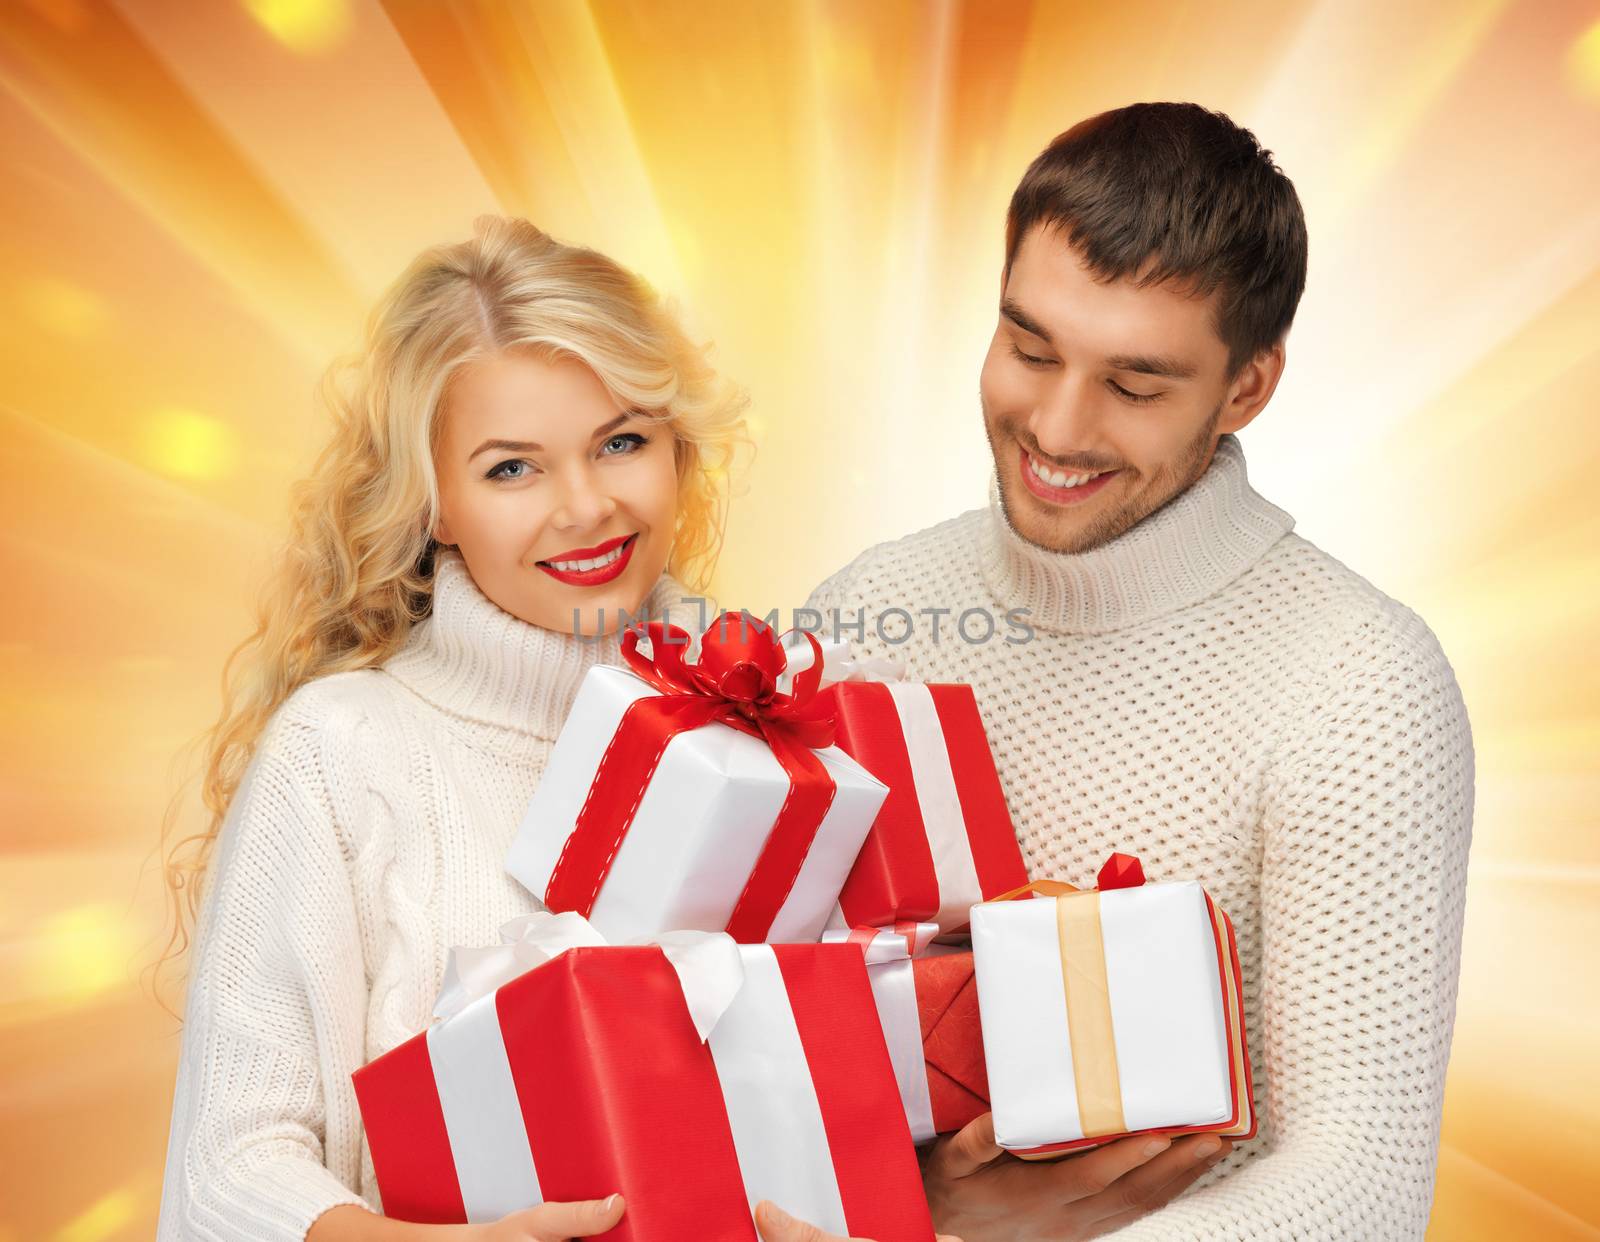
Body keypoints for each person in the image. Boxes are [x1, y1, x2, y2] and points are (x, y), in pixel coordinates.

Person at [803, 102, 1474, 1240]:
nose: (1055, 428)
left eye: (1135, 384)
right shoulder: (870, 609)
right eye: (1028, 348)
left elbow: (1359, 1191)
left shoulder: (1360, 685)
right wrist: (918, 1209)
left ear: (1247, 389)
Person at [152, 215, 837, 1241]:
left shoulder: (768, 730)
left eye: (621, 442)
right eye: (511, 469)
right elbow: (228, 1168)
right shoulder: (342, 749)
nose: (585, 506)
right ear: (433, 505)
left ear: (677, 451)